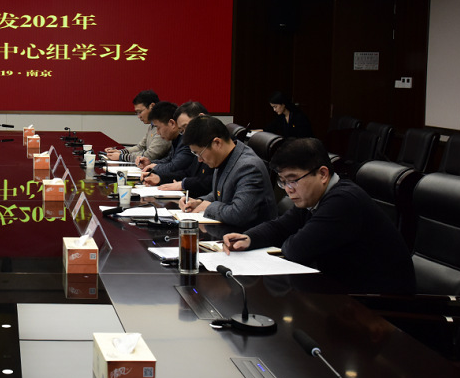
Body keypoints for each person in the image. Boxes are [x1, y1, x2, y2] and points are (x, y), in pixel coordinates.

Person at [221, 138, 415, 294]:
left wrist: (288, 239)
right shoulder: (315, 198)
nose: (288, 189)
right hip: (344, 292)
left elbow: (296, 249)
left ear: (322, 174)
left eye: (293, 180)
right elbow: (280, 226)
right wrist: (249, 238)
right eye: (283, 182)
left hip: (378, 305)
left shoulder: (343, 201)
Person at [180, 115, 276, 228]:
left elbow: (238, 214)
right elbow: (221, 193)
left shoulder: (248, 167)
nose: (199, 160)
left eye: (199, 153)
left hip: (250, 235)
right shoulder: (225, 157)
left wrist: (208, 207)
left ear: (217, 143)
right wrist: (199, 202)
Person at [151, 101, 214, 197]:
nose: (185, 135)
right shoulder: (199, 143)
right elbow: (189, 172)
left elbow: (211, 182)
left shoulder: (215, 143)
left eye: (186, 127)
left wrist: (183, 184)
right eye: (182, 130)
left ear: (202, 117)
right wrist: (160, 178)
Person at [138, 101, 198, 186]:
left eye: (158, 127)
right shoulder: (176, 139)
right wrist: (150, 163)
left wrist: (155, 167)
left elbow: (175, 166)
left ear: (172, 123)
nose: (157, 132)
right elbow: (169, 160)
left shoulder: (185, 141)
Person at [104, 90, 170, 162]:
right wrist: (121, 152)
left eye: (140, 112)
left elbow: (150, 155)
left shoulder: (164, 127)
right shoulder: (151, 126)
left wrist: (122, 157)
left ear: (152, 106)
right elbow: (140, 147)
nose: (139, 116)